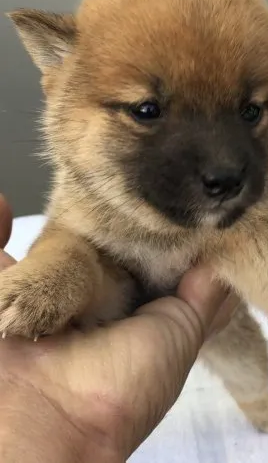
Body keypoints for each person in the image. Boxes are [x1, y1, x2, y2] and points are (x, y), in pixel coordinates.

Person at [0, 194, 238, 462]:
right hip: (131, 324)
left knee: (245, 366)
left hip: (211, 301)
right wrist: (62, 271)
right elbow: (65, 235)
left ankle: (261, 405)